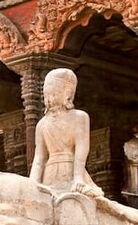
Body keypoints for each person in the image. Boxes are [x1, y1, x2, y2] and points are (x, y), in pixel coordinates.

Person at [29, 68, 103, 198]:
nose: (49, 98)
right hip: (49, 173)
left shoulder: (79, 117)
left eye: (54, 92)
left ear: (67, 94)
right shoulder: (42, 124)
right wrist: (31, 184)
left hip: (70, 169)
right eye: (46, 93)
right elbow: (39, 158)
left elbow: (81, 148)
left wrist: (78, 177)